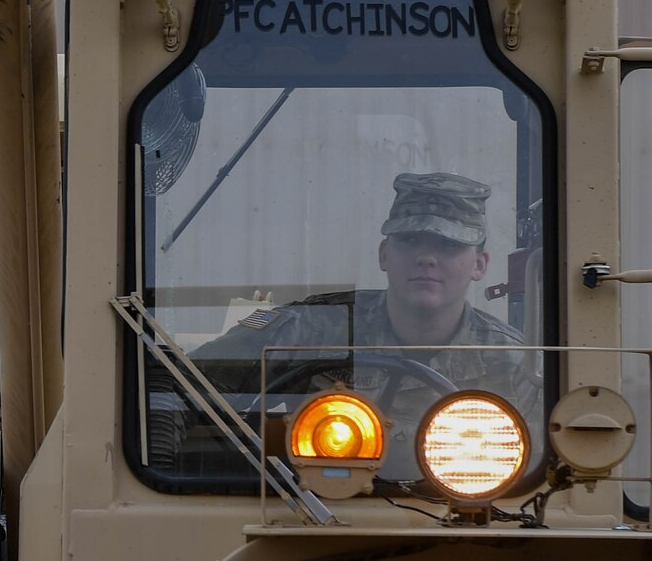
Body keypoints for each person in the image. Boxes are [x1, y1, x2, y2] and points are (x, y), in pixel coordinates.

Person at [189, 172, 540, 478]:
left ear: (479, 265)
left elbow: (536, 482)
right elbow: (178, 386)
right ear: (384, 254)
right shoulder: (310, 329)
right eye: (410, 240)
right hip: (314, 520)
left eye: (448, 245)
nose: (426, 258)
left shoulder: (514, 364)